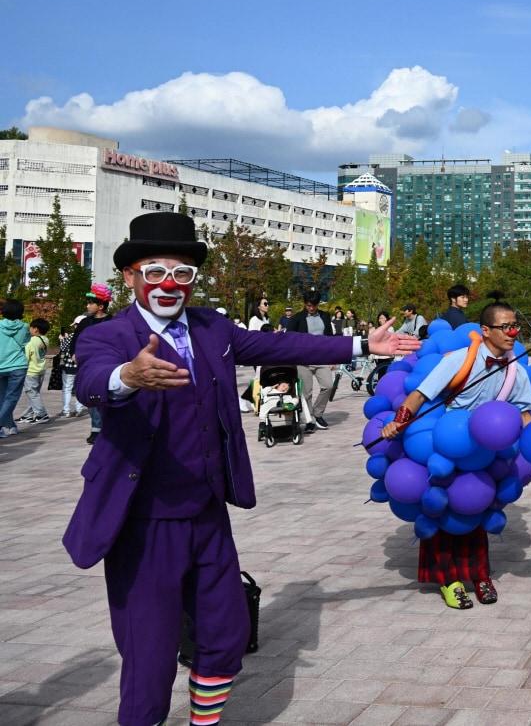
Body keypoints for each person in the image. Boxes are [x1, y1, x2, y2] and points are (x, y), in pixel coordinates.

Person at [65, 211, 418, 726]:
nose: (169, 283)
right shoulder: (109, 335)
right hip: (142, 520)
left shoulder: (212, 328)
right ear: (130, 276)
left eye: (181, 272)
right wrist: (128, 376)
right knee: (150, 658)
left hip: (207, 512)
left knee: (226, 637)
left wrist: (363, 345)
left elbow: (281, 343)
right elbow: (91, 381)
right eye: (155, 270)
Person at [381, 300, 531, 609]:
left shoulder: (514, 371)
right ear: (485, 330)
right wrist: (398, 422)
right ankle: (448, 580)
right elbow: (420, 394)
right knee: (441, 513)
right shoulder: (460, 360)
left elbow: (523, 412)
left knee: (476, 509)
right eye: (505, 327)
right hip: (446, 447)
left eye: (515, 326)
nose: (512, 332)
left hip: (483, 454)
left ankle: (480, 576)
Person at [287, 291, 336, 430]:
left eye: (314, 305)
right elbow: (289, 339)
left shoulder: (325, 316)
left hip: (322, 358)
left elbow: (330, 338)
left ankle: (317, 413)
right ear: (305, 304)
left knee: (328, 385)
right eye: (309, 305)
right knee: (306, 393)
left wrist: (333, 358)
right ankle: (309, 420)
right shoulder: (296, 318)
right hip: (303, 360)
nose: (312, 308)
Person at [73, 284, 113, 443]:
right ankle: (97, 429)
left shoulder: (112, 321)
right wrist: (74, 353)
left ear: (101, 306)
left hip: (106, 365)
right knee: (92, 397)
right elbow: (75, 340)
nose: (87, 306)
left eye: (91, 303)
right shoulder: (84, 322)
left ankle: (105, 429)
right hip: (87, 365)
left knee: (105, 396)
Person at [0, 299, 29, 437]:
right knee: (11, 398)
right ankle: (4, 424)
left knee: (2, 397)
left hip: (1, 366)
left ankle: (9, 425)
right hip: (18, 366)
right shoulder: (24, 327)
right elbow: (24, 342)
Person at [18, 317, 51, 424]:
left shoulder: (31, 341)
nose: (29, 330)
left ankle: (42, 414)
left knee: (32, 394)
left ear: (36, 329)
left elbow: (26, 357)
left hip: (31, 371)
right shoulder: (45, 339)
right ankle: (28, 415)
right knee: (34, 394)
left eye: (30, 328)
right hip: (40, 370)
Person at [57, 323, 82, 417]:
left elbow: (63, 348)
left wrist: (62, 339)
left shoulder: (72, 335)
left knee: (67, 388)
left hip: (69, 366)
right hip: (81, 366)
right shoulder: (88, 335)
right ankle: (78, 409)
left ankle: (66, 410)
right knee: (79, 388)